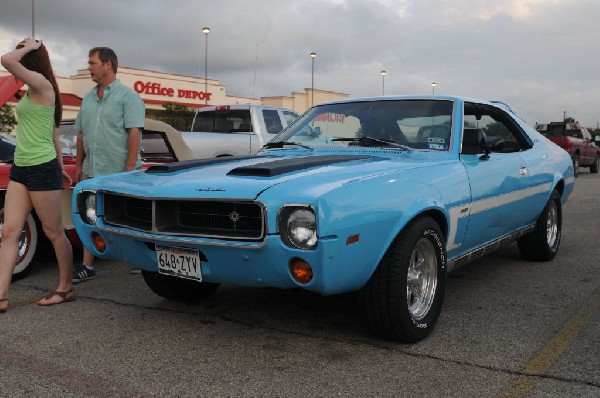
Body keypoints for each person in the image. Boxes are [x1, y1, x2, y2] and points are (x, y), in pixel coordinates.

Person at [0, 37, 74, 311]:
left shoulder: (43, 85)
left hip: (41, 169)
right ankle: (2, 295)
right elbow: (53, 133)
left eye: (24, 53)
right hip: (21, 167)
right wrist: (62, 169)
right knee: (9, 231)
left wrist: (29, 46)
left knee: (53, 231)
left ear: (30, 58)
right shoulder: (32, 90)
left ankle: (65, 287)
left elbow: (6, 60)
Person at [72, 47, 145, 283]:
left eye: (92, 63)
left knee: (130, 217)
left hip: (120, 171)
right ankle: (87, 265)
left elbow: (134, 132)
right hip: (92, 170)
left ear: (108, 65)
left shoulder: (128, 96)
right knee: (88, 216)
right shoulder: (88, 99)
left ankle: (141, 261)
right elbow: (81, 134)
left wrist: (130, 168)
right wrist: (78, 166)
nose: (89, 67)